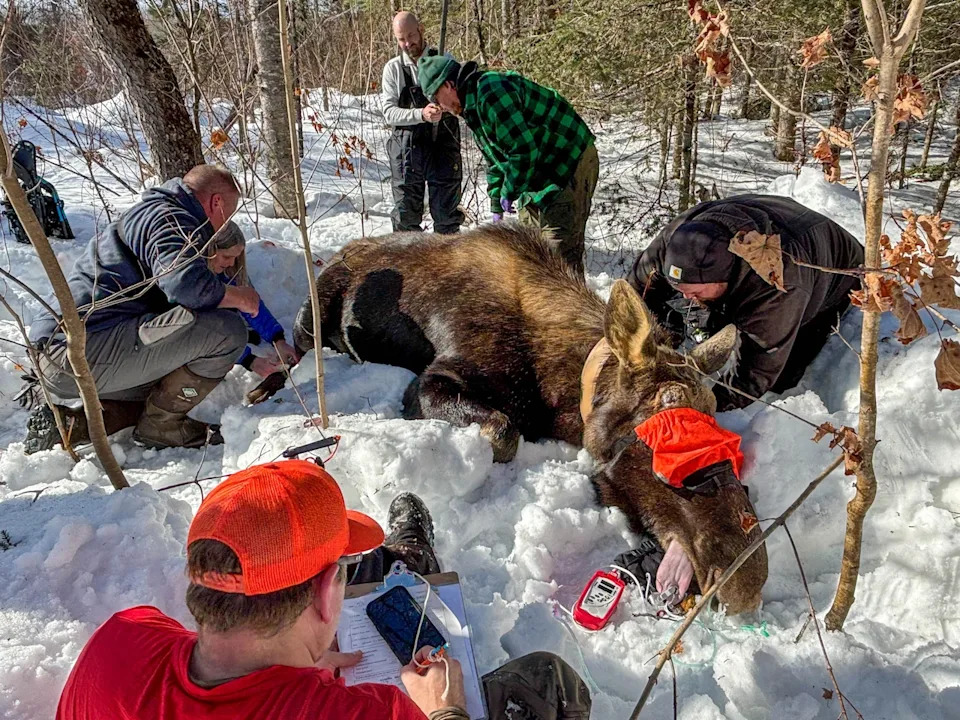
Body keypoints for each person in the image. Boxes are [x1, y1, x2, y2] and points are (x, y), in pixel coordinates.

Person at [56, 459, 591, 720]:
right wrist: (442, 712)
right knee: (547, 679)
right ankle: (406, 559)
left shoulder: (120, 642)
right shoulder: (371, 714)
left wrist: (292, 661)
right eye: (341, 571)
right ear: (321, 596)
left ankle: (404, 558)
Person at [24, 165, 298, 452]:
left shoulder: (156, 213)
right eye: (228, 213)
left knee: (167, 384)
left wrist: (276, 336)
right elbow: (187, 288)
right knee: (226, 332)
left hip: (67, 353)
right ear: (217, 202)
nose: (225, 223)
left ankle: (75, 424)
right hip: (77, 350)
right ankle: (163, 426)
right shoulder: (171, 220)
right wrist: (240, 301)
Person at [626, 194, 865, 411]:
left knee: (783, 376)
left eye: (696, 292)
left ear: (725, 278)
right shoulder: (678, 239)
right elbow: (634, 294)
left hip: (836, 272)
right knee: (691, 314)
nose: (688, 297)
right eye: (680, 288)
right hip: (771, 220)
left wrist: (705, 406)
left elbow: (756, 371)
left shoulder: (778, 281)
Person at [417, 55, 598, 276]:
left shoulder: (491, 93)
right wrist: (496, 203)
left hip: (567, 161)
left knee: (558, 259)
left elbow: (523, 149)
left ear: (449, 85)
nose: (440, 107)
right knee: (531, 254)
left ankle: (570, 309)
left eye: (437, 98)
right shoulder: (471, 107)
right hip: (535, 173)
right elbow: (496, 160)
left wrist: (509, 190)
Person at [382, 11, 464, 235]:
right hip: (407, 150)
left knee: (447, 220)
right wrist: (421, 114)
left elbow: (460, 102)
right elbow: (389, 113)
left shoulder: (445, 60)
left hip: (444, 146)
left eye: (411, 35)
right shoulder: (393, 69)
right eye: (401, 39)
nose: (408, 43)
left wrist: (446, 110)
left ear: (421, 30)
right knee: (405, 220)